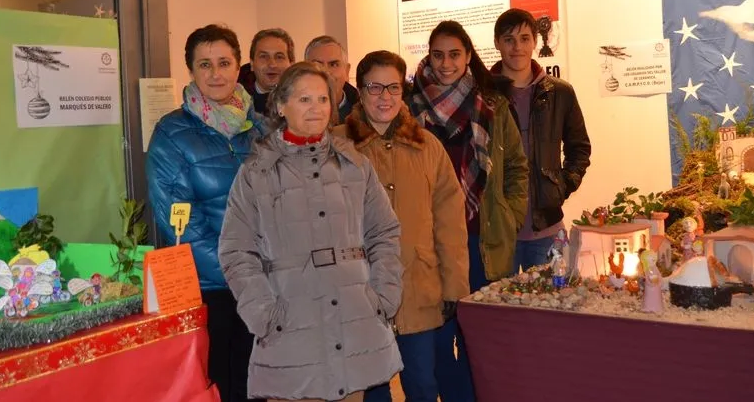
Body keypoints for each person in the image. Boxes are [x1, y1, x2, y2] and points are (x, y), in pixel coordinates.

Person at [219, 62, 403, 402]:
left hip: (354, 325)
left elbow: (384, 233)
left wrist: (383, 296)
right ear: (280, 106)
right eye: (304, 99)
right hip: (290, 332)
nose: (316, 108)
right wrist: (263, 314)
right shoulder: (256, 173)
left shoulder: (355, 166)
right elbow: (236, 251)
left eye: (322, 99)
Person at [333, 51, 469, 402]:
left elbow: (450, 223)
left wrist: (455, 286)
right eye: (374, 88)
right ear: (359, 92)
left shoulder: (427, 145)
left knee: (423, 384)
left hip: (418, 286)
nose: (385, 97)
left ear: (404, 91)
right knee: (373, 389)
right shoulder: (335, 145)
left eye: (393, 87)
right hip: (359, 290)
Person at [407, 20, 528, 402]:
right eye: (438, 55)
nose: (445, 64)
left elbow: (517, 169)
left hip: (481, 238)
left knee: (477, 339)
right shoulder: (409, 109)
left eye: (454, 54)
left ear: (468, 56)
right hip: (431, 244)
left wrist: (509, 215)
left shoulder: (491, 104)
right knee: (439, 340)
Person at [146, 24, 264, 402]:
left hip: (261, 280)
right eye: (205, 65)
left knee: (258, 381)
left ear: (238, 66)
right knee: (217, 383)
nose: (216, 74)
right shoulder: (172, 133)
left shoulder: (257, 128)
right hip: (209, 288)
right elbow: (179, 221)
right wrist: (236, 269)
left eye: (224, 63)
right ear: (192, 72)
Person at [490, 8, 591, 272]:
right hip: (498, 230)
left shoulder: (560, 93)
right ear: (497, 43)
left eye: (524, 38)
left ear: (535, 42)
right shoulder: (484, 96)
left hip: (547, 227)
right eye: (509, 39)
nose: (517, 47)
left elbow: (579, 149)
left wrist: (561, 187)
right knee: (502, 311)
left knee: (556, 306)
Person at [238, 28, 295, 114]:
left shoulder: (303, 100)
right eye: (263, 56)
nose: (272, 64)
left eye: (279, 57)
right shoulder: (232, 101)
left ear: (291, 64)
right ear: (252, 64)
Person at [305, 35, 360, 123]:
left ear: (347, 71)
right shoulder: (292, 114)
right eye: (318, 64)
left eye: (333, 64)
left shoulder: (366, 115)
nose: (326, 72)